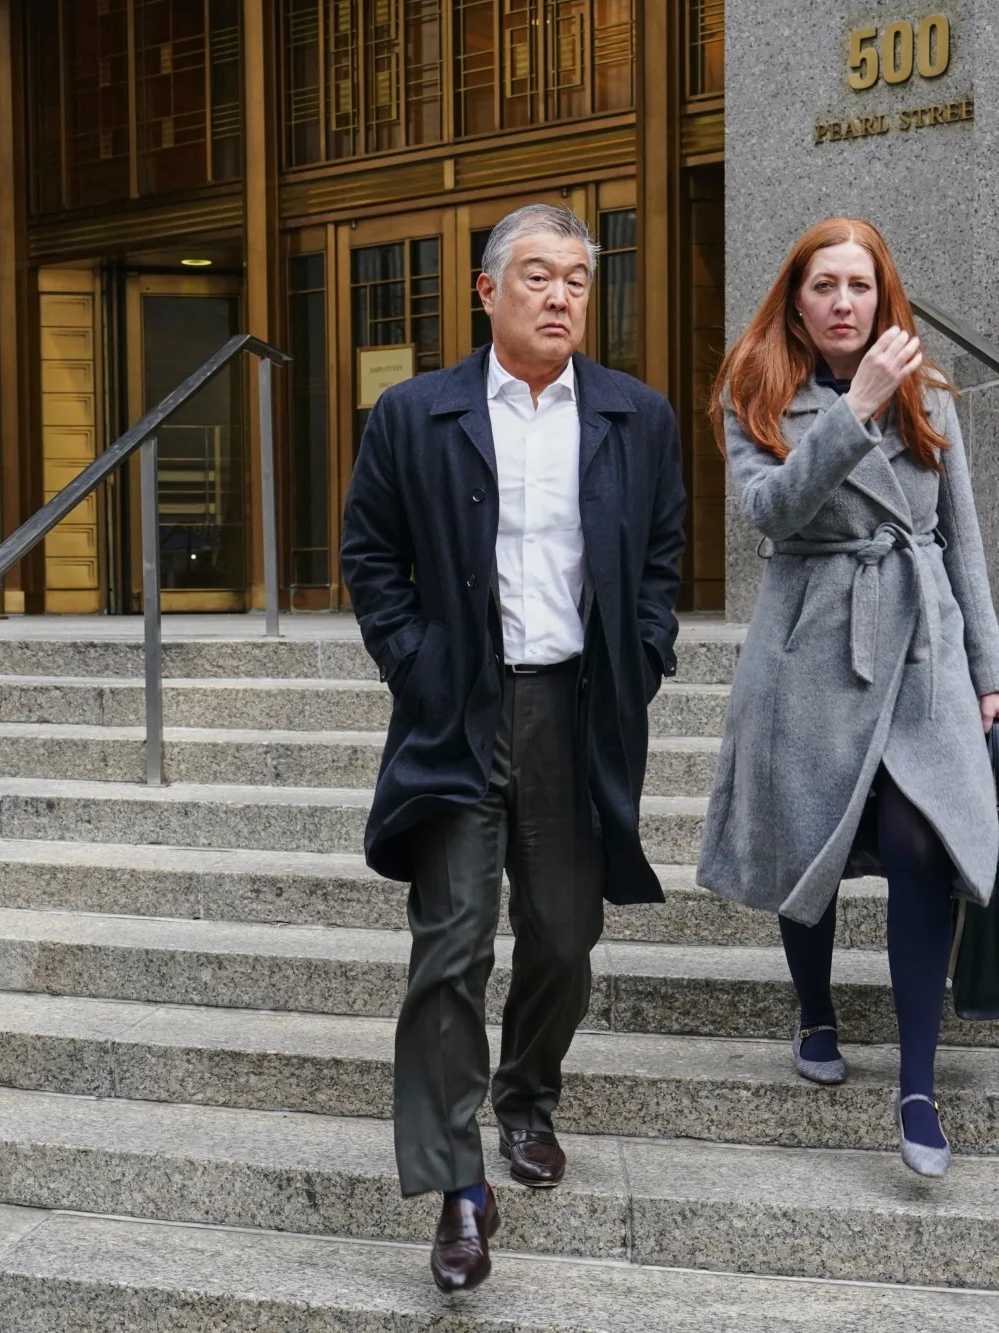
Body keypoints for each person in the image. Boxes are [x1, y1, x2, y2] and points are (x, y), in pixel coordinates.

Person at [341, 203, 687, 1291]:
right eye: (535, 276)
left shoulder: (637, 416)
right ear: (486, 292)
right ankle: (456, 1185)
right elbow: (368, 553)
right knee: (448, 946)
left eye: (577, 280)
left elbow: (663, 553)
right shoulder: (414, 414)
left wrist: (643, 652)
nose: (558, 297)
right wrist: (421, 665)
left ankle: (526, 1095)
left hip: (575, 709)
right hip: (458, 715)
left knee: (562, 932)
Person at [697, 217, 999, 1180]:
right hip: (809, 643)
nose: (844, 303)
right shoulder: (753, 390)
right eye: (825, 286)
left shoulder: (929, 391)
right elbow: (768, 512)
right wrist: (854, 409)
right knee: (814, 833)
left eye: (860, 286)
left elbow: (962, 538)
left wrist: (991, 677)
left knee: (925, 840)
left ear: (884, 297)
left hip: (919, 640)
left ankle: (916, 1085)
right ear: (795, 300)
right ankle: (816, 1007)